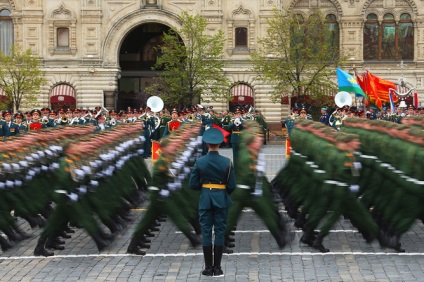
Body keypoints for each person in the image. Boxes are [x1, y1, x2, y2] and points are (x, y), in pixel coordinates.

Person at [189, 128, 236, 277]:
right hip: (221, 198)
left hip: (205, 200)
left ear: (207, 144)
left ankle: (208, 268)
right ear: (220, 144)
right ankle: (218, 268)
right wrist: (221, 192)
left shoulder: (200, 161)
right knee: (220, 231)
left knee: (207, 232)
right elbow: (232, 186)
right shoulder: (227, 162)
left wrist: (205, 189)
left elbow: (193, 185)